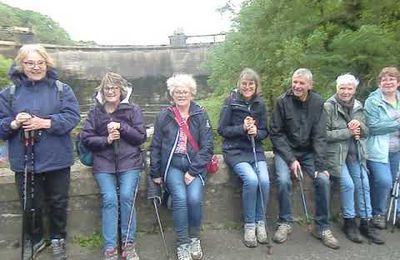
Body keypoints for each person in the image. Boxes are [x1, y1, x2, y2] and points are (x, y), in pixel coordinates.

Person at [0, 44, 80, 260]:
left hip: (57, 158)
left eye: (40, 62)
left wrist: (44, 122)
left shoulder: (62, 90)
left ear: (47, 63)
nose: (35, 67)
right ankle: (34, 240)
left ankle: (57, 239)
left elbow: (73, 117)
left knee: (58, 201)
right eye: (30, 63)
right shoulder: (9, 94)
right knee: (30, 204)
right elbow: (1, 127)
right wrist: (15, 123)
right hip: (24, 160)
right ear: (21, 65)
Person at [269, 68, 339, 249]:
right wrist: (291, 159)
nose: (297, 86)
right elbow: (276, 134)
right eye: (295, 82)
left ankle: (322, 227)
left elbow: (319, 136)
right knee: (284, 180)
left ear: (310, 85)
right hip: (286, 152)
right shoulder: (281, 102)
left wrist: (320, 164)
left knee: (323, 179)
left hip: (308, 152)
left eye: (301, 83)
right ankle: (284, 222)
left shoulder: (317, 103)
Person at [81, 72, 146, 260]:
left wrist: (121, 127)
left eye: (114, 88)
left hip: (130, 162)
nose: (110, 91)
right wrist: (106, 139)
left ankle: (128, 244)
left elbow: (140, 137)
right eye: (107, 88)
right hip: (103, 164)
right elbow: (86, 139)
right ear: (102, 91)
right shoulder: (95, 112)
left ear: (121, 90)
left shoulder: (132, 110)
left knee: (127, 197)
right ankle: (110, 247)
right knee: (110, 199)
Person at [149, 74, 213, 260]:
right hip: (173, 165)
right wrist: (155, 172)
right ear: (172, 94)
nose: (181, 95)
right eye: (177, 92)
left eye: (185, 92)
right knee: (179, 198)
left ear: (191, 94)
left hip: (194, 165)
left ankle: (194, 238)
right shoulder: (164, 115)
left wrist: (193, 171)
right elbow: (156, 145)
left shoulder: (200, 114)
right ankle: (182, 243)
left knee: (194, 199)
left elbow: (208, 147)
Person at [324, 74, 384, 244]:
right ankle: (349, 222)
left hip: (356, 154)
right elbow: (323, 134)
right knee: (348, 184)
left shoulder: (359, 106)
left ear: (354, 90)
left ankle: (366, 222)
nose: (345, 92)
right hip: (336, 156)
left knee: (363, 183)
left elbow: (366, 131)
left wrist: (359, 127)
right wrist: (347, 132)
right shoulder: (328, 106)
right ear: (337, 89)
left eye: (349, 88)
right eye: (342, 88)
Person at [218, 68, 270, 248]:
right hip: (235, 151)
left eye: (251, 84)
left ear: (256, 86)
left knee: (264, 180)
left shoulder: (260, 104)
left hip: (255, 149)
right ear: (239, 85)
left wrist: (257, 132)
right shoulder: (230, 102)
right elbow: (222, 130)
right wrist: (242, 128)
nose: (248, 87)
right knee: (251, 179)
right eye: (244, 84)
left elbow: (265, 131)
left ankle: (260, 222)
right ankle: (249, 225)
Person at [365, 66, 400, 229]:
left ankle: (396, 214)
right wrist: (396, 123)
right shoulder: (373, 101)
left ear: (398, 82)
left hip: (396, 150)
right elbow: (372, 127)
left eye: (392, 79)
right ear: (379, 84)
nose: (388, 82)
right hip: (378, 150)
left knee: (394, 182)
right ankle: (378, 214)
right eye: (384, 79)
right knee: (384, 181)